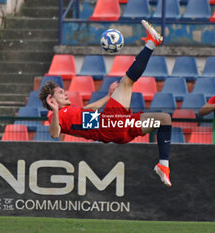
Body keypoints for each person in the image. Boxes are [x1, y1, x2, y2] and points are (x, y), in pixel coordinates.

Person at [39, 20, 172, 187]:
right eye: (60, 93)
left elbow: (88, 110)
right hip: (110, 125)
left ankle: (163, 166)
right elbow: (54, 133)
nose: (65, 93)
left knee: (164, 119)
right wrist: (55, 110)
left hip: (119, 129)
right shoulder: (55, 115)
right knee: (126, 82)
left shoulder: (70, 111)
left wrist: (109, 97)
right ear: (51, 100)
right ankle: (152, 43)